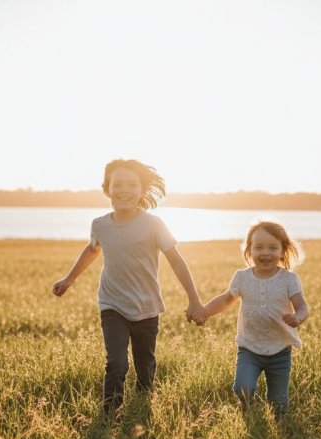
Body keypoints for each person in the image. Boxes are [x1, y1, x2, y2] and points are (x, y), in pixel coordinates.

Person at [53, 159, 206, 415]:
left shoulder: (153, 224)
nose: (125, 189)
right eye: (118, 184)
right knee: (116, 363)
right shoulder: (100, 225)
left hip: (147, 307)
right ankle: (109, 413)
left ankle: (143, 405)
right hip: (112, 305)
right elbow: (92, 250)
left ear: (142, 190)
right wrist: (68, 280)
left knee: (145, 364)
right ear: (107, 189)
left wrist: (194, 300)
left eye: (132, 184)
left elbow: (177, 262)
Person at [199, 220, 309, 418]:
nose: (265, 252)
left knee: (278, 402)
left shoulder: (288, 279)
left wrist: (298, 317)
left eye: (273, 247)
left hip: (280, 350)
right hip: (249, 347)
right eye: (258, 247)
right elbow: (226, 299)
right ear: (249, 251)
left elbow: (302, 306)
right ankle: (247, 409)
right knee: (242, 387)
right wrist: (205, 311)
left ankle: (282, 427)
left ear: (283, 251)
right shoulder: (242, 277)